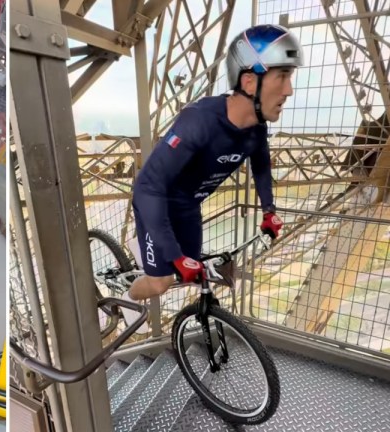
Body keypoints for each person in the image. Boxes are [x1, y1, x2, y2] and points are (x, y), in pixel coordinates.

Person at [120, 24, 302, 332]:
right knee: (162, 282)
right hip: (157, 203)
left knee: (189, 271)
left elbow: (261, 166)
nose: (288, 90)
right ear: (249, 80)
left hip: (189, 207)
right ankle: (125, 299)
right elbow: (148, 189)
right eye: (281, 77)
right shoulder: (199, 122)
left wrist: (269, 211)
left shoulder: (256, 129)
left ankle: (152, 249)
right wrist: (174, 255)